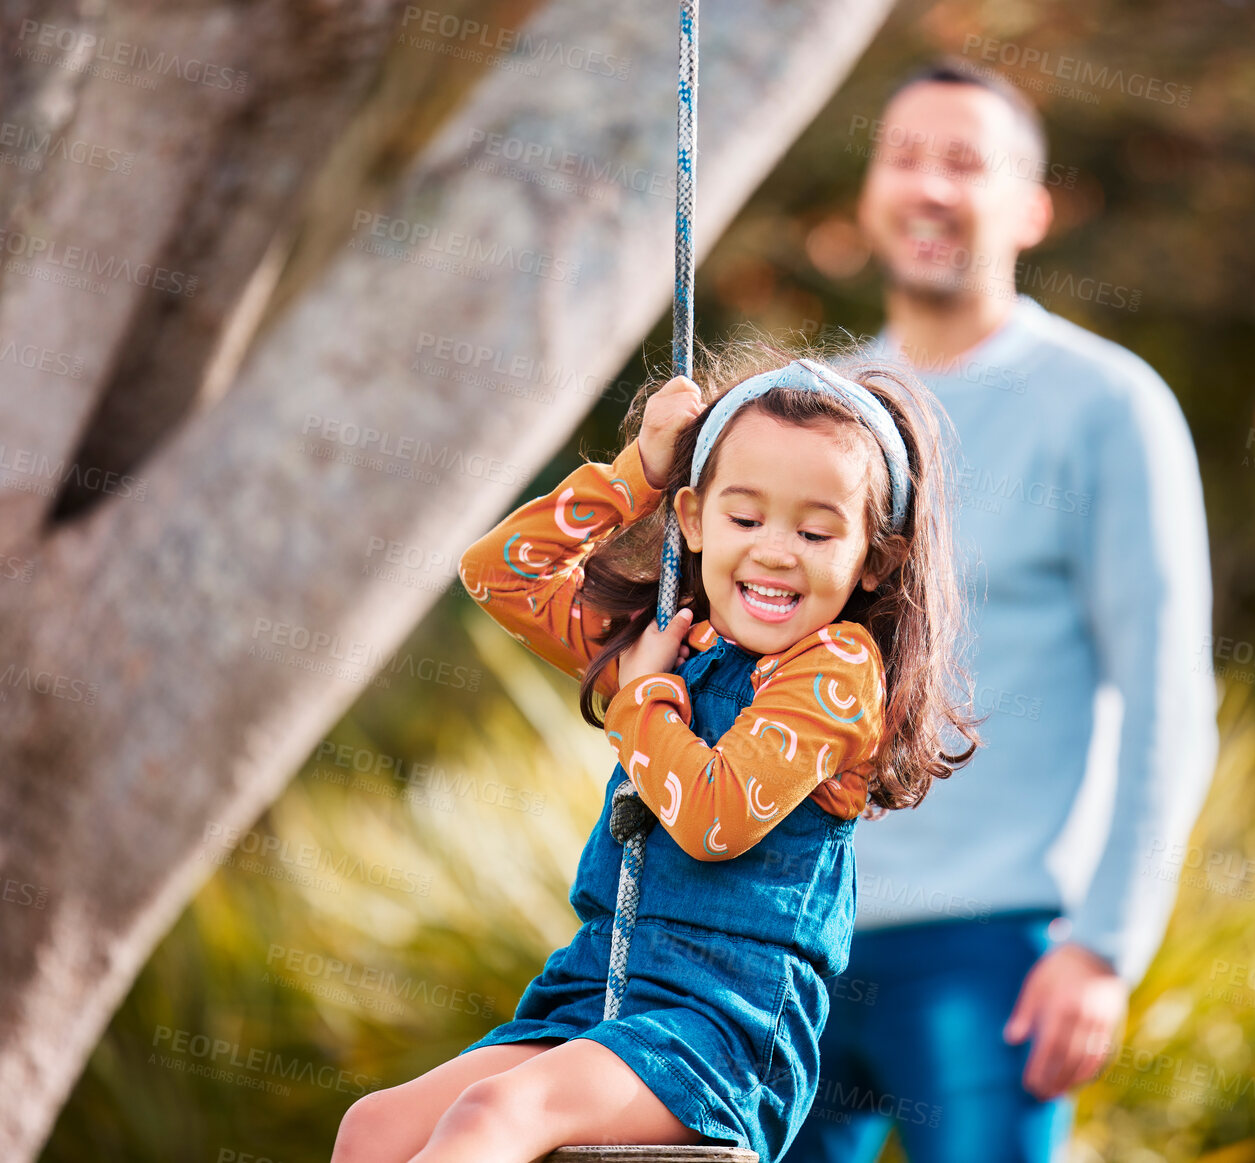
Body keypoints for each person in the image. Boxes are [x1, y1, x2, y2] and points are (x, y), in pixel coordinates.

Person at [331, 345, 980, 1163]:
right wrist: (641, 467)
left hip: (717, 1028)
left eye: (815, 530)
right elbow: (500, 571)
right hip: (591, 992)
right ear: (694, 519)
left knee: (491, 1118)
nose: (776, 551)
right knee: (375, 1128)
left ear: (874, 558)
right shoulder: (676, 644)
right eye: (745, 518)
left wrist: (641, 698)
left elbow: (715, 817)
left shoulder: (835, 670)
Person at [783, 60, 1219, 1163]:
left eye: (964, 163)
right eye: (904, 157)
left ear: (1030, 206)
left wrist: (1106, 945)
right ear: (870, 192)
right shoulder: (821, 419)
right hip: (795, 932)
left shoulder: (1105, 405)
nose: (929, 186)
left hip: (994, 951)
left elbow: (1165, 695)